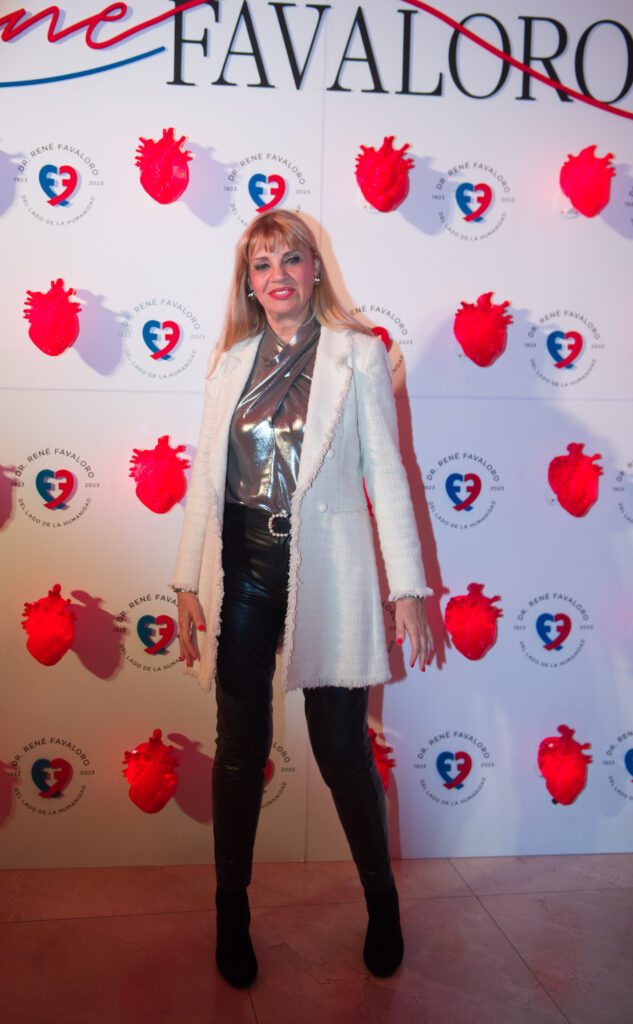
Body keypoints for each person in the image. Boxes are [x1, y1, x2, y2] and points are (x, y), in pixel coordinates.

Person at [171, 209, 432, 988]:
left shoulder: (359, 353)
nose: (277, 275)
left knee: (340, 748)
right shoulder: (229, 363)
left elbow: (387, 475)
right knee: (238, 746)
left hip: (331, 567)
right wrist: (185, 581)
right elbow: (204, 482)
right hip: (244, 566)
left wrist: (408, 587)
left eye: (290, 259)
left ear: (315, 269)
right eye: (261, 264)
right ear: (247, 283)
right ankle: (230, 912)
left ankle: (381, 904)